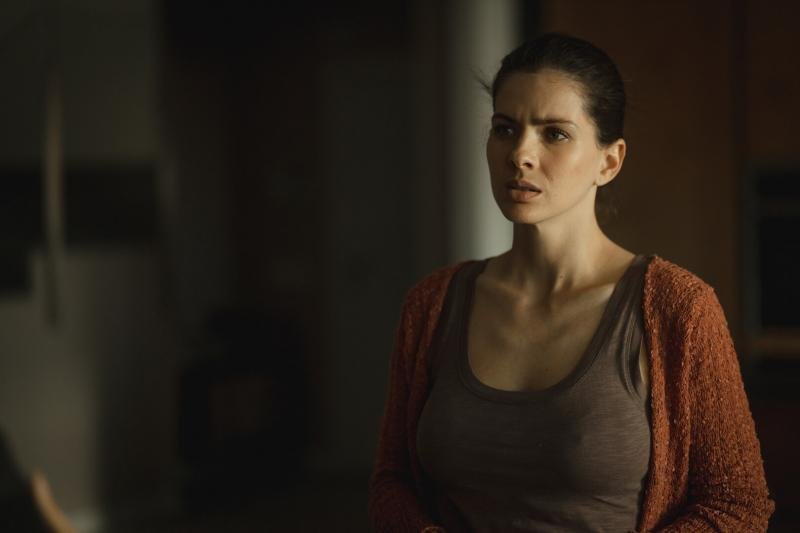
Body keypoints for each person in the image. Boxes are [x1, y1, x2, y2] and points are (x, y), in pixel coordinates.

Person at [367, 33, 774, 532]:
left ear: (609, 161)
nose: (520, 154)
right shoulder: (432, 303)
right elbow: (391, 482)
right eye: (504, 129)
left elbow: (736, 505)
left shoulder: (678, 308)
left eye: (554, 134)